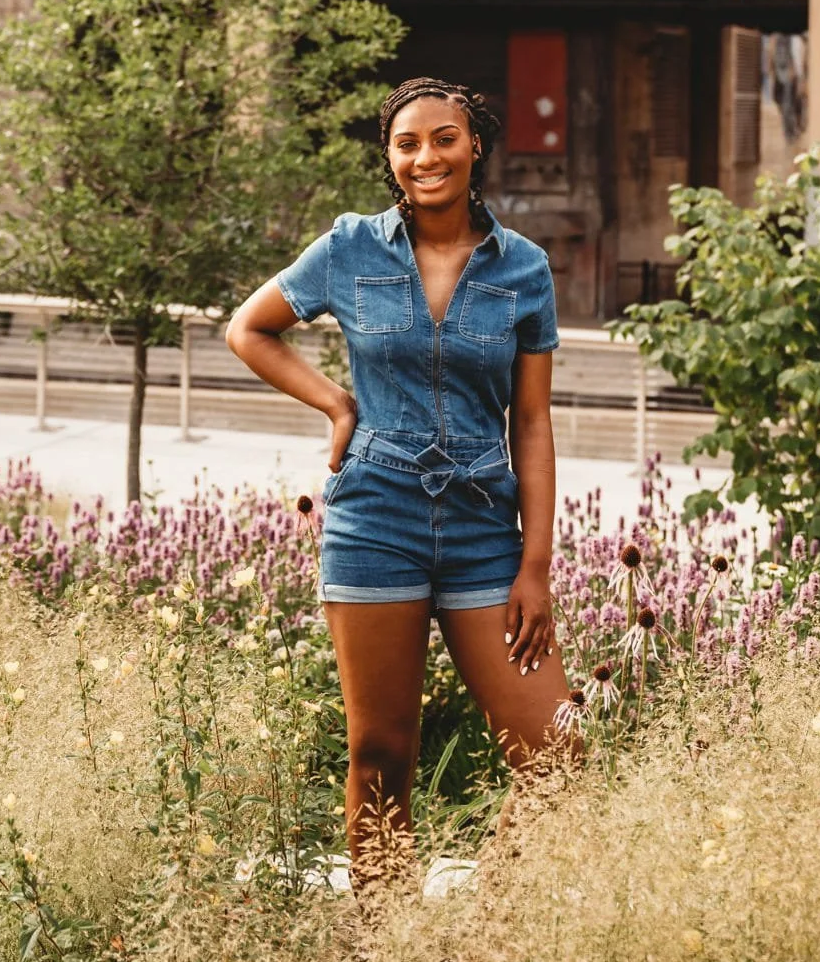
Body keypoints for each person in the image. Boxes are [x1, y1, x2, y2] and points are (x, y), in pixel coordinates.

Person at [225, 75, 579, 896]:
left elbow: (530, 423)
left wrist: (535, 567)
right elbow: (250, 329)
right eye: (407, 143)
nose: (427, 156)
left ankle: (488, 936)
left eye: (443, 138)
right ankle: (383, 954)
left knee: (557, 752)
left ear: (475, 144)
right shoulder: (350, 248)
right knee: (380, 754)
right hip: (374, 517)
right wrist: (335, 402)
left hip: (485, 528)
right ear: (390, 158)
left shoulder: (522, 268)